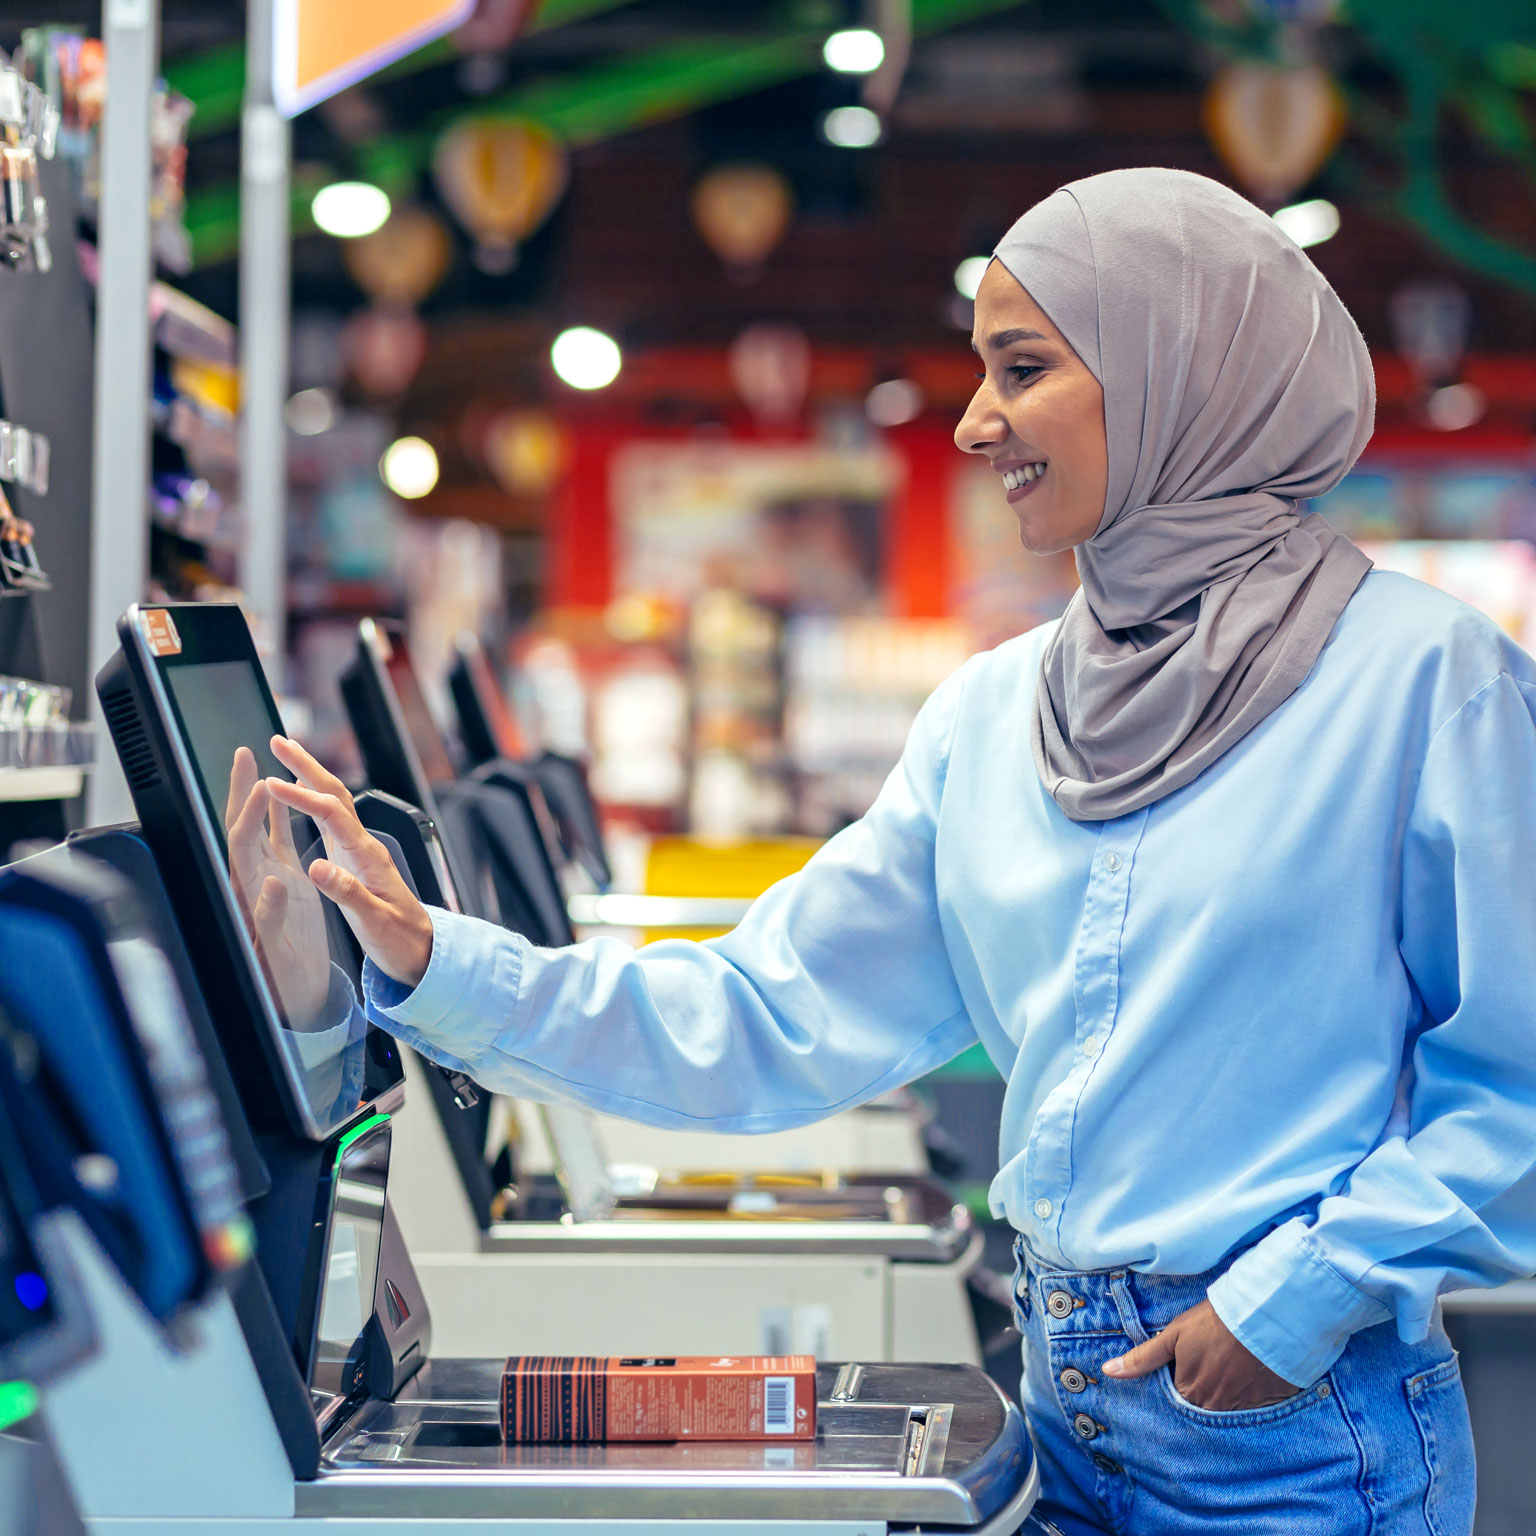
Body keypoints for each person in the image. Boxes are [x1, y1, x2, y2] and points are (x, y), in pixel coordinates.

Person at [260, 167, 1536, 1535]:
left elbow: (1514, 1082)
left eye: (1026, 369)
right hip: (1066, 1399)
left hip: (1285, 1423)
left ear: (1183, 368)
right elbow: (759, 1012)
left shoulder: (1423, 682)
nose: (979, 421)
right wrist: (430, 957)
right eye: (980, 370)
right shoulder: (996, 716)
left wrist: (1297, 1300)